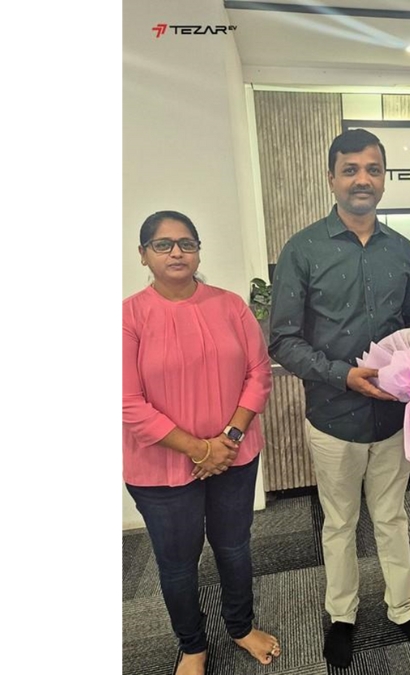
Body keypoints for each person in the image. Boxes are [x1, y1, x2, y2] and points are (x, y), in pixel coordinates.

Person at [268, 129, 410, 669]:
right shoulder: (302, 249)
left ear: (384, 178)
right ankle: (342, 615)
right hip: (333, 417)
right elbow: (283, 340)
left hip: (390, 417)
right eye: (350, 169)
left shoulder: (401, 249)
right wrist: (342, 376)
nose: (362, 179)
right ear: (331, 178)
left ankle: (403, 608)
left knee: (392, 517)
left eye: (373, 169)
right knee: (339, 523)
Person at [122, 210, 281, 675]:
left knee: (233, 547)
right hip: (159, 468)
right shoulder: (127, 317)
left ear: (197, 251)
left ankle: (241, 626)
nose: (177, 252)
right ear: (143, 255)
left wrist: (227, 440)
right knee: (177, 563)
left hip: (234, 455)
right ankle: (192, 646)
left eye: (187, 244)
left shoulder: (230, 306)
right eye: (163, 244)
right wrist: (200, 449)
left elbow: (258, 373)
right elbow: (127, 402)